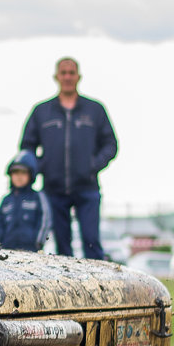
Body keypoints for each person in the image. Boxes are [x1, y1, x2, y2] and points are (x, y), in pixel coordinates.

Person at [19, 57, 117, 259]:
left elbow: (110, 144)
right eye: (63, 73)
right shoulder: (42, 111)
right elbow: (26, 148)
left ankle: (97, 286)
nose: (67, 77)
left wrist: (92, 165)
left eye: (71, 73)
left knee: (91, 240)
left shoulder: (95, 110)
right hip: (53, 190)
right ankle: (71, 288)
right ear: (56, 77)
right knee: (63, 246)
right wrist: (42, 166)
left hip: (87, 188)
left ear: (78, 76)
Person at [0, 150, 51, 251]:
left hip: (31, 249)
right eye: (15, 173)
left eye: (23, 173)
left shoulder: (37, 197)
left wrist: (38, 243)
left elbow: (45, 220)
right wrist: (1, 242)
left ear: (31, 175)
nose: (19, 177)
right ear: (10, 175)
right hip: (8, 249)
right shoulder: (6, 200)